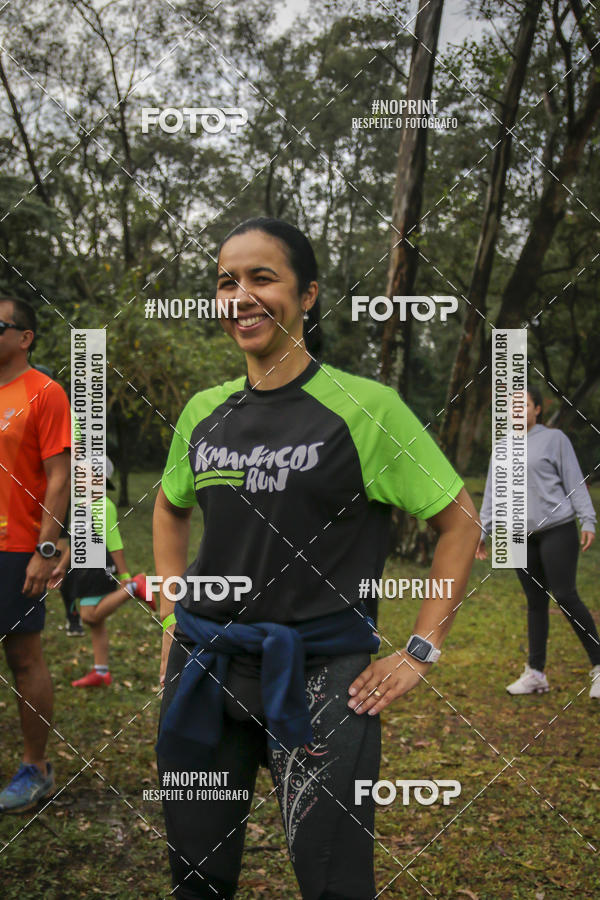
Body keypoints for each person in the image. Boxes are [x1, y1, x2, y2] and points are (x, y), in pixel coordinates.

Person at [153, 218, 481, 900]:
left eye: (262, 278)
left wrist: (421, 649)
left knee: (334, 882)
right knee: (197, 876)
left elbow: (460, 522)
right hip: (207, 666)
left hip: (325, 678)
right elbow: (168, 506)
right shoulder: (204, 411)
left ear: (308, 295)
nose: (241, 296)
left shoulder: (367, 409)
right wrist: (169, 612)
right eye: (226, 281)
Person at [477, 387, 600, 698]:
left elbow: (574, 481)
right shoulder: (501, 448)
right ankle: (535, 674)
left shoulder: (555, 440)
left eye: (524, 405)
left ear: (537, 409)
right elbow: (492, 494)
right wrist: (482, 532)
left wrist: (587, 519)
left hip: (557, 528)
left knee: (565, 595)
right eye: (511, 407)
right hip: (519, 534)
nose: (516, 411)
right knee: (535, 602)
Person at [0, 297, 70, 813]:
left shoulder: (44, 392)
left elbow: (59, 476)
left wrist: (47, 548)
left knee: (24, 658)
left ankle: (36, 767)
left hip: (16, 547)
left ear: (25, 337)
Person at [52, 456, 154, 687]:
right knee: (95, 623)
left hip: (98, 565)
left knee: (89, 615)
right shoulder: (80, 505)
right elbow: (74, 540)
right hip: (83, 566)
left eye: (84, 473)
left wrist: (125, 576)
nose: (78, 478)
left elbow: (114, 541)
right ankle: (101, 672)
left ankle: (135, 586)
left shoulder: (104, 506)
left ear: (99, 479)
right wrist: (60, 567)